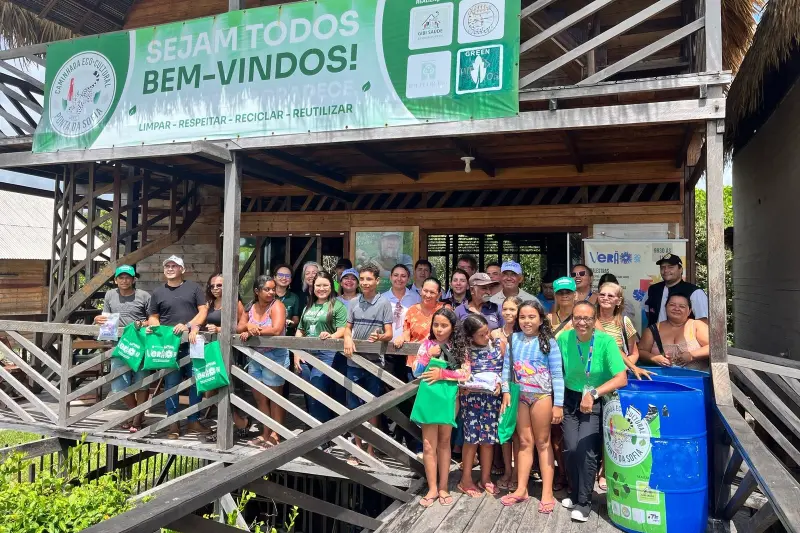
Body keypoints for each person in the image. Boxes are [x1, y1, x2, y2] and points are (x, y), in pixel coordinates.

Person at [559, 301, 628, 522]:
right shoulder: (563, 339)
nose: (581, 322)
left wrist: (594, 393)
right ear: (571, 319)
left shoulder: (606, 342)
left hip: (596, 400)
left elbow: (621, 378)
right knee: (570, 448)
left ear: (594, 319)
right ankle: (575, 492)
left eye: (587, 318)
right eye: (577, 318)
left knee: (586, 449)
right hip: (570, 399)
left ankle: (584, 502)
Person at [500, 299, 564, 512]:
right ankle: (521, 489)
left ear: (540, 319)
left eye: (531, 317)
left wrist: (559, 405)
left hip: (542, 397)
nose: (526, 321)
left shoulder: (549, 342)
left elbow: (557, 375)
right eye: (522, 317)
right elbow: (507, 369)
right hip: (520, 397)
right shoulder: (513, 339)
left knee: (543, 443)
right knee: (525, 442)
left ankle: (547, 492)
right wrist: (506, 392)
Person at [147, 255, 210, 439]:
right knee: (171, 384)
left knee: (196, 381)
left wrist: (188, 325)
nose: (170, 268)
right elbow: (153, 315)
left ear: (183, 269)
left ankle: (193, 421)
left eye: (175, 265)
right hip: (168, 344)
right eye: (167, 265)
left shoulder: (194, 288)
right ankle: (172, 422)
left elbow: (203, 311)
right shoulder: (158, 292)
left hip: (191, 341)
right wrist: (154, 326)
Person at [412, 308, 469, 508]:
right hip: (429, 398)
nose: (439, 329)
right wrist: (428, 356)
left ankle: (443, 487)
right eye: (436, 324)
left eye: (444, 325)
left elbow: (466, 374)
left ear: (453, 327)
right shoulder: (426, 344)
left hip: (449, 399)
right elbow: (416, 372)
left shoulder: (460, 347)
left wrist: (442, 374)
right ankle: (432, 488)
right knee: (428, 445)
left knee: (445, 442)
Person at [343, 264, 393, 463]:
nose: (364, 283)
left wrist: (380, 336)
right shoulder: (354, 302)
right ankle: (357, 449)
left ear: (377, 281)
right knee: (354, 407)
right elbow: (348, 328)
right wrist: (347, 338)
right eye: (362, 279)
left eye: (368, 279)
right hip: (354, 362)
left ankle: (370, 450)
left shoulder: (384, 303)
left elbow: (389, 333)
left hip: (374, 363)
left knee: (372, 407)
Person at [94, 265, 150, 432]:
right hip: (118, 344)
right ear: (115, 280)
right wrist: (99, 319)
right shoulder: (110, 295)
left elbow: (152, 319)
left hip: (140, 343)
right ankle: (136, 413)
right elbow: (106, 317)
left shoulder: (144, 296)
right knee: (119, 385)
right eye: (121, 277)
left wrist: (141, 323)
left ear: (134, 279)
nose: (124, 280)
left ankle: (137, 420)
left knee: (142, 382)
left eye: (128, 277)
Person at [457, 314, 506, 498]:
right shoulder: (466, 351)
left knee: (488, 440)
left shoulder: (498, 345)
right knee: (471, 440)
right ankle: (466, 479)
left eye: (487, 332)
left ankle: (485, 478)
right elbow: (461, 374)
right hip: (472, 401)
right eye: (481, 335)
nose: (486, 337)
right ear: (470, 337)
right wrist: (463, 386)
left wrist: (501, 383)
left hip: (491, 400)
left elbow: (505, 369)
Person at [238, 275, 289, 448]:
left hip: (275, 355)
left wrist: (254, 331)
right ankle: (265, 432)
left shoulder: (277, 306)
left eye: (273, 289)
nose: (271, 292)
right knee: (260, 399)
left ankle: (275, 434)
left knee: (274, 397)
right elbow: (238, 327)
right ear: (256, 291)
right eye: (267, 289)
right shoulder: (251, 307)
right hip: (254, 357)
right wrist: (247, 326)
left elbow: (276, 329)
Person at [295, 271, 348, 424]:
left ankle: (322, 433)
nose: (321, 288)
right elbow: (300, 330)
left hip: (327, 354)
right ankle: (315, 427)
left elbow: (343, 329)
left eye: (325, 285)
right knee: (308, 392)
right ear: (313, 287)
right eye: (318, 285)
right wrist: (297, 353)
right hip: (306, 353)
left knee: (317, 390)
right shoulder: (308, 306)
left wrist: (331, 336)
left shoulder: (337, 306)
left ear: (331, 287)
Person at [203, 273, 250, 437]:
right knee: (210, 390)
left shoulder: (234, 302)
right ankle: (233, 423)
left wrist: (218, 330)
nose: (215, 288)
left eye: (219, 285)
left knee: (229, 388)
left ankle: (238, 424)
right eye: (213, 285)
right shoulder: (210, 303)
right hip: (211, 349)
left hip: (229, 351)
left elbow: (240, 327)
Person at [492, 296, 522, 492]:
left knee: (519, 433)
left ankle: (519, 472)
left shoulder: (524, 333)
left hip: (519, 387)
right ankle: (507, 471)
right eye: (506, 309)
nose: (509, 313)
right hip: (497, 387)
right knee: (504, 431)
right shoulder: (494, 333)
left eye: (513, 309)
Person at [638, 293, 710, 370]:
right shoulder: (652, 329)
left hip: (696, 379)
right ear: (665, 308)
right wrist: (654, 358)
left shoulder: (696, 325)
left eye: (682, 306)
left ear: (689, 311)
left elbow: (714, 348)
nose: (676, 308)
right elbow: (640, 352)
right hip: (662, 379)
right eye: (672, 305)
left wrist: (692, 355)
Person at [382, 264, 421, 387]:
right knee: (388, 386)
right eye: (396, 275)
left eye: (403, 276)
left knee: (409, 385)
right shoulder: (382, 298)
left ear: (408, 279)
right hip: (387, 349)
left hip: (409, 350)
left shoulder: (416, 298)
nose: (399, 279)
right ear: (390, 278)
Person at [644, 254, 709, 326]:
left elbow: (703, 322)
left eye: (670, 267)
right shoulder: (653, 289)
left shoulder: (695, 292)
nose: (666, 270)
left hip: (683, 336)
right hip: (655, 336)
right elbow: (648, 313)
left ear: (680, 269)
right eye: (662, 267)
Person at [273, 264, 302, 336]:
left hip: (287, 336)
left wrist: (290, 323)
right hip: (268, 335)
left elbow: (296, 319)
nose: (284, 278)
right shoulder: (268, 294)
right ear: (274, 277)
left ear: (291, 279)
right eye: (280, 275)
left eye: (287, 276)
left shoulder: (294, 297)